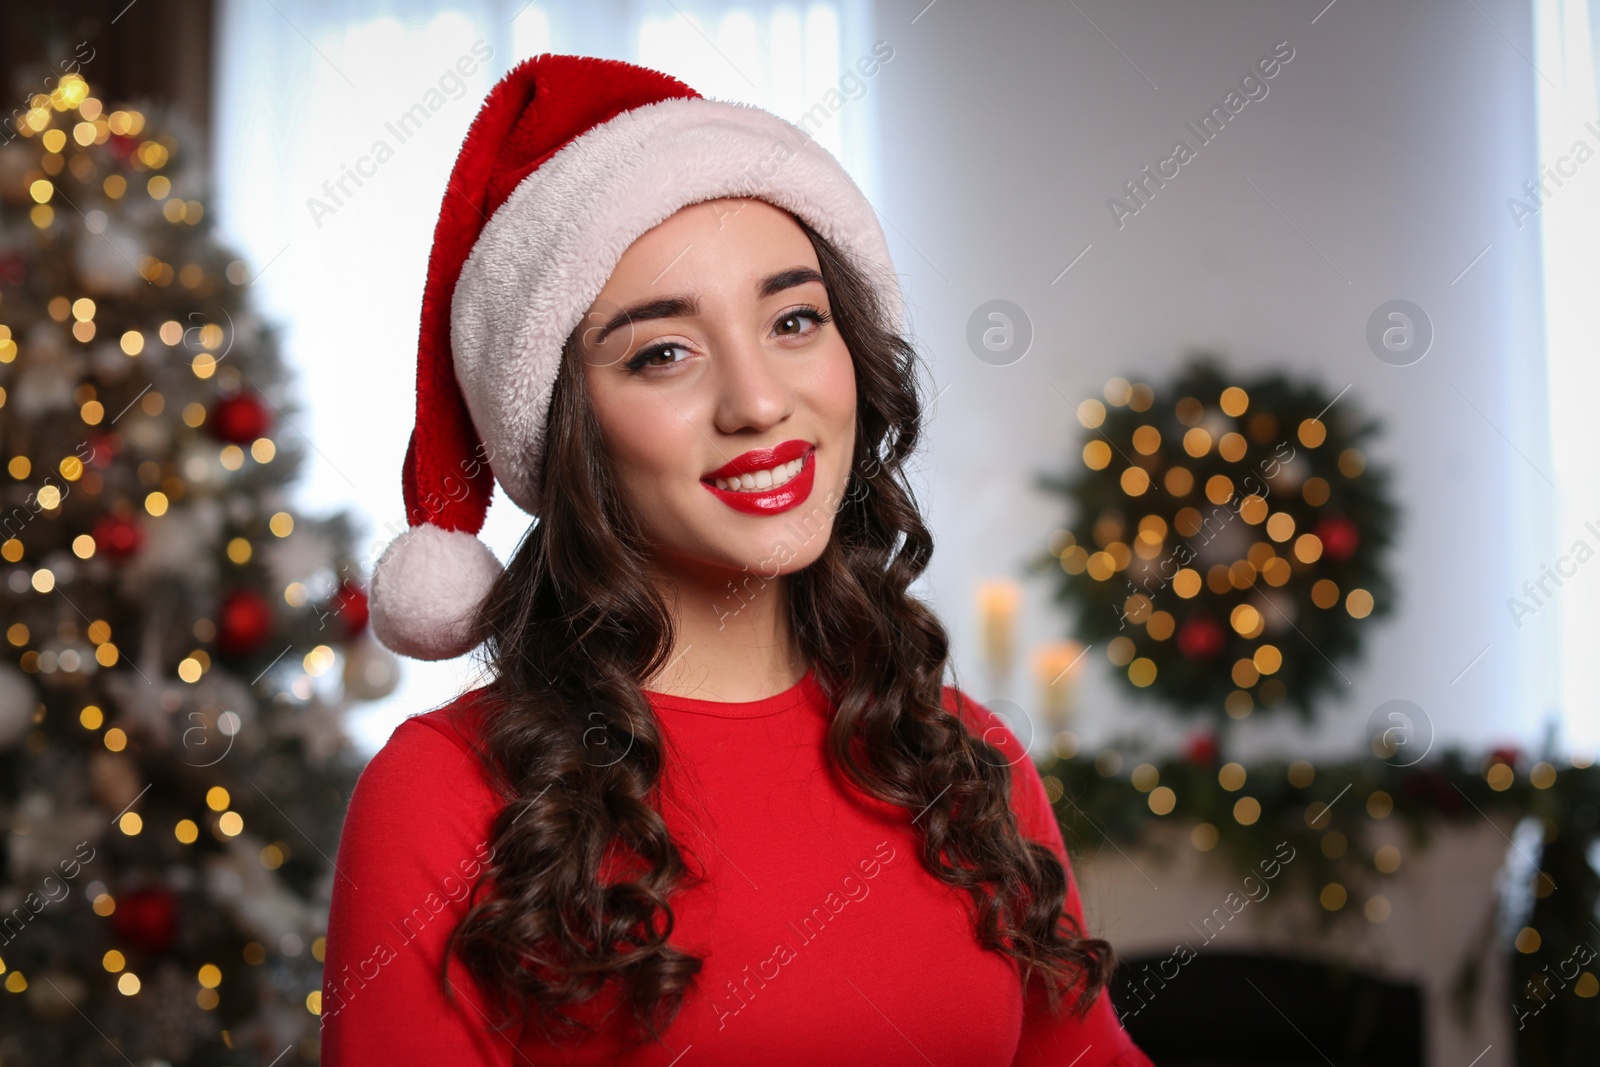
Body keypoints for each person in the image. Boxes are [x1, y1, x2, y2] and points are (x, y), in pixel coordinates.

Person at [321, 54, 1155, 1067]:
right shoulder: (442, 793)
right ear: (565, 430)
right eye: (662, 352)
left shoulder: (963, 760)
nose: (757, 401)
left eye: (794, 320)